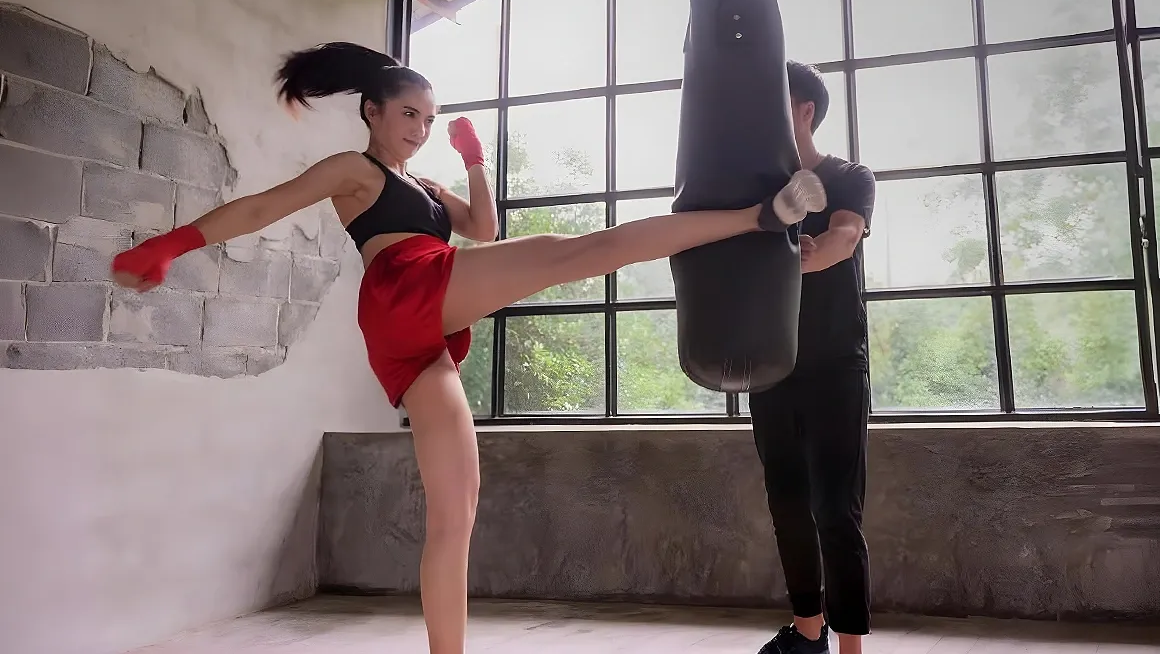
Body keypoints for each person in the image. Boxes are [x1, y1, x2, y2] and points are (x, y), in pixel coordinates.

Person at [109, 41, 827, 654]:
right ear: (372, 113)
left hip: (421, 334)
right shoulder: (354, 173)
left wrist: (473, 159)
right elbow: (268, 206)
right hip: (405, 288)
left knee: (457, 512)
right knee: (581, 251)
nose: (419, 128)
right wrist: (176, 243)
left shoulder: (424, 183)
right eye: (408, 115)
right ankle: (757, 217)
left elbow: (481, 227)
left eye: (427, 117)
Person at [750, 61, 877, 654]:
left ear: (803, 111)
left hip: (835, 364)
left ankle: (848, 647)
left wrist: (799, 253)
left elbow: (843, 238)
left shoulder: (851, 177)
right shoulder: (757, 192)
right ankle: (807, 634)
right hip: (771, 362)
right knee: (787, 502)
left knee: (835, 509)